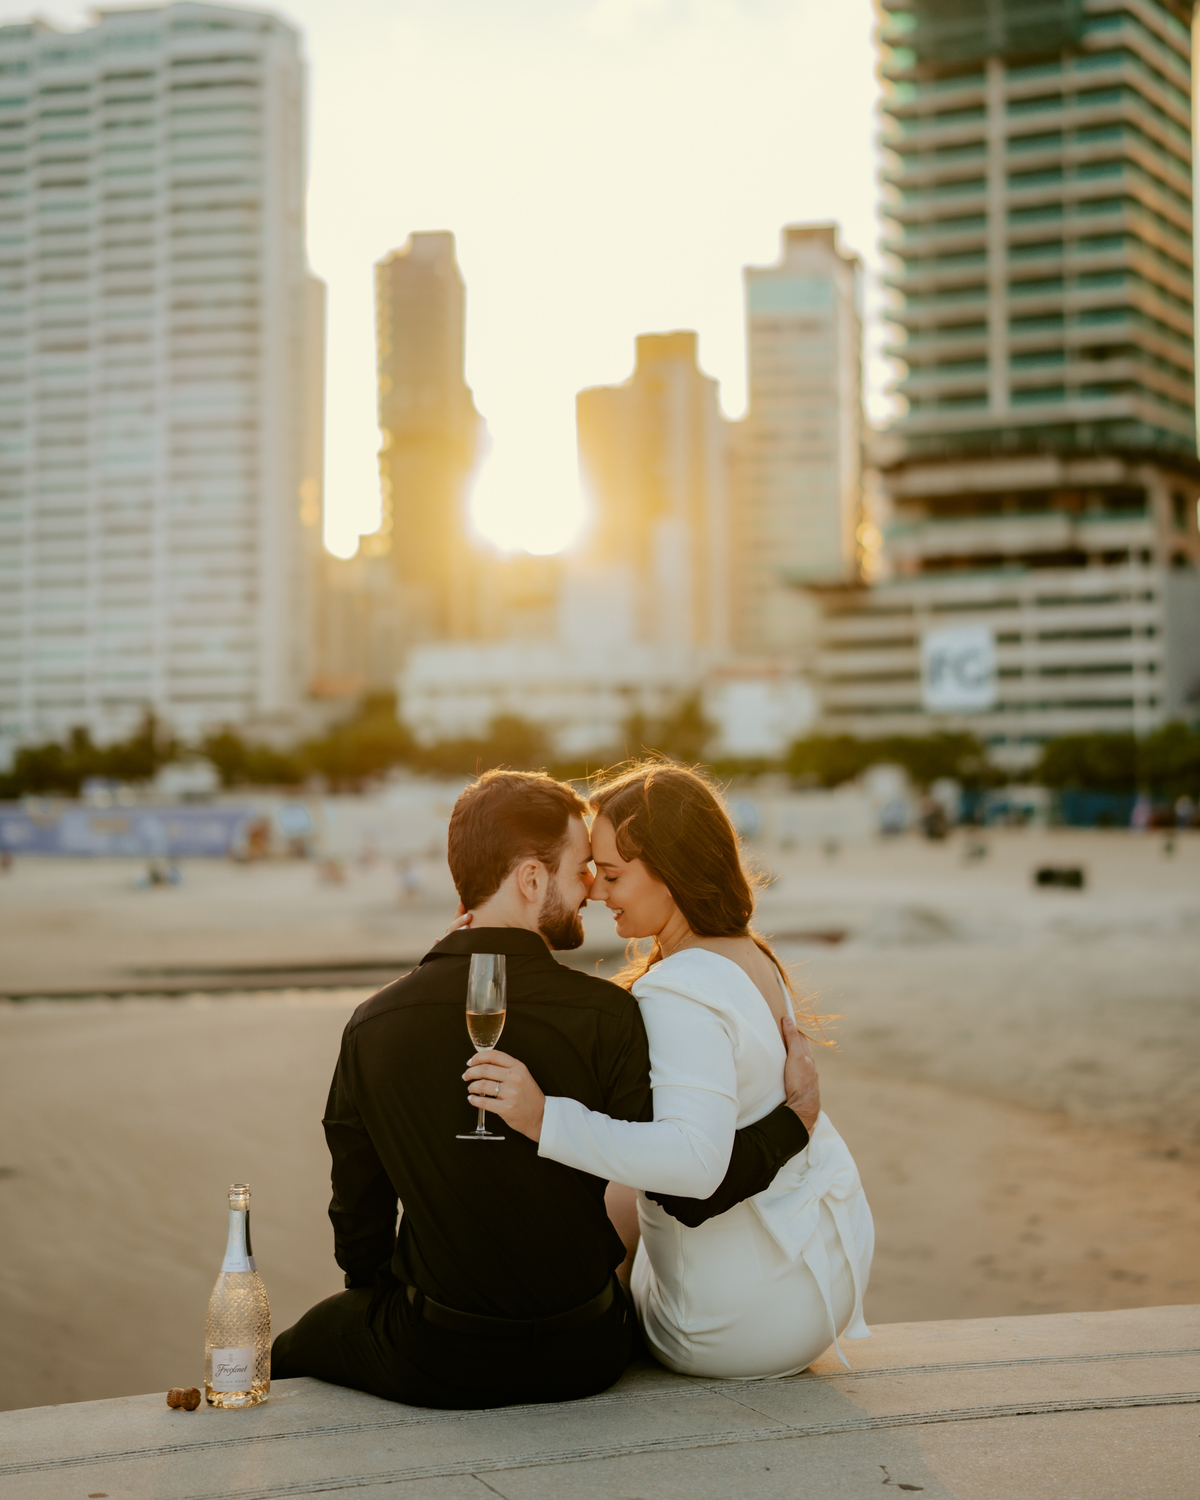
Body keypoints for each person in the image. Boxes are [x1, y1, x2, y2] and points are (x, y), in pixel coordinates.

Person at [272, 770, 818, 1409]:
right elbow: (684, 1195)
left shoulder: (374, 1023)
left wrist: (375, 1293)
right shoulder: (610, 1017)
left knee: (286, 1351)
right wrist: (794, 1121)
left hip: (438, 1359)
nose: (590, 889)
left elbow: (358, 1212)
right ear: (531, 880)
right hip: (585, 1353)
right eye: (582, 869)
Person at [465, 761, 874, 1381]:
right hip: (822, 1284)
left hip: (734, 1328)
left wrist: (545, 1117)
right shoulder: (746, 952)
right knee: (624, 1175)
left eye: (612, 874)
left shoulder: (679, 989)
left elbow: (691, 1167)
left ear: (672, 872)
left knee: (602, 1186)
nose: (597, 892)